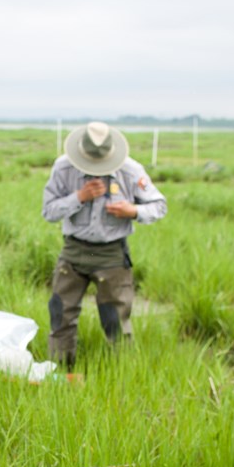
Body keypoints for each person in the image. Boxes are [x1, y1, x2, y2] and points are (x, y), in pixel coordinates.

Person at [42, 121, 167, 366]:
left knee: (116, 319)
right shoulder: (63, 168)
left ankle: (120, 373)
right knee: (61, 314)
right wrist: (79, 197)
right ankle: (59, 371)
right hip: (74, 251)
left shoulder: (130, 171)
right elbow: (48, 211)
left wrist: (133, 211)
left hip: (112, 255)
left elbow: (159, 205)